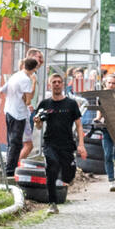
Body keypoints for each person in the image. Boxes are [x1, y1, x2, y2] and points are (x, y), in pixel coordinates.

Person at [32, 73, 86, 214]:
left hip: (67, 144)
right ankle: (52, 203)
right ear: (50, 85)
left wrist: (81, 144)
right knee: (52, 167)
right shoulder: (45, 104)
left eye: (59, 82)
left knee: (69, 175)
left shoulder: (71, 103)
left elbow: (79, 125)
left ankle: (66, 177)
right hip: (50, 142)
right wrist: (38, 122)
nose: (56, 84)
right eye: (54, 82)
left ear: (63, 84)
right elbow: (38, 126)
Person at [0, 57, 37, 177]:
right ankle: (10, 171)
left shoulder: (15, 75)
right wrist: (34, 83)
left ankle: (9, 168)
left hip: (9, 110)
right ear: (34, 68)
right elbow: (28, 100)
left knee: (12, 142)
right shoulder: (26, 79)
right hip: (19, 114)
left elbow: (3, 90)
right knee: (16, 143)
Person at [96, 73, 115, 191]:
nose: (111, 85)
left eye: (114, 83)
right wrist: (98, 119)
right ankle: (111, 181)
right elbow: (100, 111)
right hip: (106, 129)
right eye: (109, 83)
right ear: (105, 84)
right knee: (107, 154)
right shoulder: (102, 97)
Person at [18, 48, 45, 163]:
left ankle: (16, 165)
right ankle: (16, 166)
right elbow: (24, 91)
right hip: (25, 110)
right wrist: (27, 104)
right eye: (39, 57)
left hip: (30, 110)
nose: (41, 60)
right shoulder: (27, 73)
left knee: (26, 143)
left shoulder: (33, 73)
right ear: (31, 57)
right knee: (27, 144)